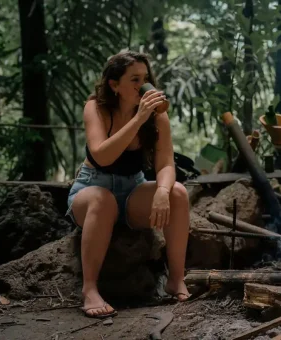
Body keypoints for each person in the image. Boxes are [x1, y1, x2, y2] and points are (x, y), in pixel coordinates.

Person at [65, 51, 191, 319]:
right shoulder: (95, 108)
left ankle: (175, 279)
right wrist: (138, 118)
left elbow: (166, 163)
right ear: (114, 85)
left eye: (145, 79)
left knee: (178, 193)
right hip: (92, 190)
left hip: (133, 189)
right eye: (134, 79)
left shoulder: (157, 116)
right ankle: (90, 290)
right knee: (102, 199)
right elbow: (102, 155)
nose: (142, 85)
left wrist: (161, 191)